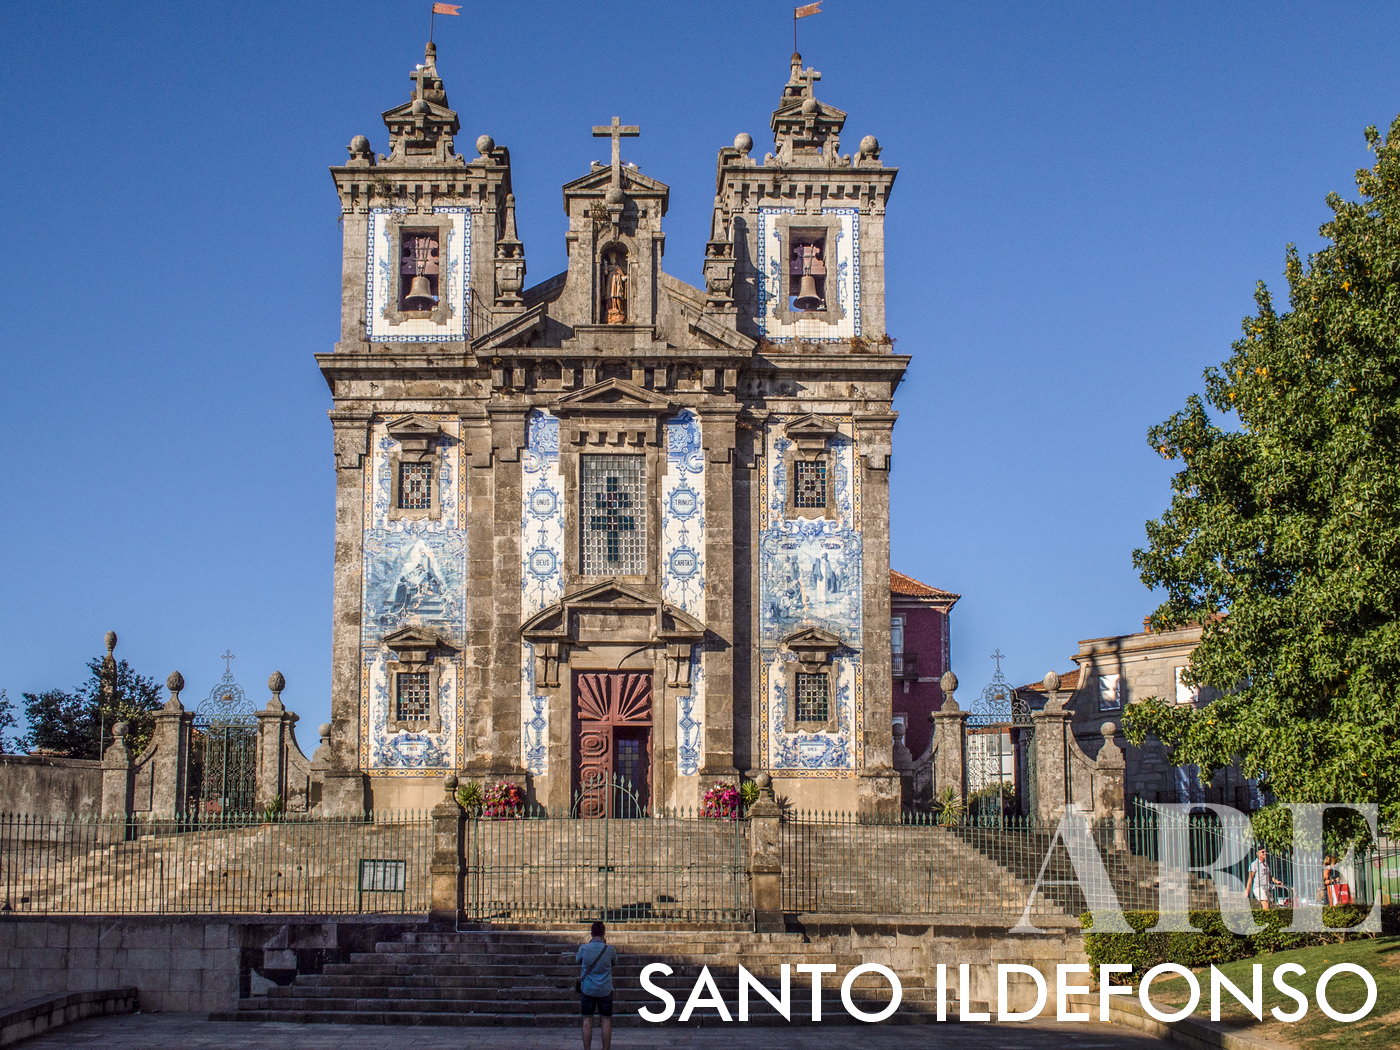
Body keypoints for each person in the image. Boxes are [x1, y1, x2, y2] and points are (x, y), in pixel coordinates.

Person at [576, 920, 617, 1050]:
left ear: (591, 933)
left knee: (587, 1021)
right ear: (604, 933)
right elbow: (614, 963)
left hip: (588, 989)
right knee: (606, 1021)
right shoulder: (610, 950)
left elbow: (578, 960)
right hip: (605, 989)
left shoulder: (584, 948)